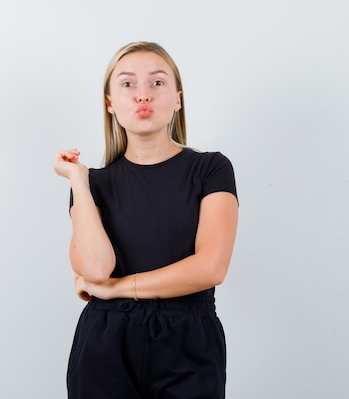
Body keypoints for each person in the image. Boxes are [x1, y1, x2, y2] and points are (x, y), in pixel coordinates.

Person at [53, 41, 238, 399]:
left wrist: (118, 289)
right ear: (110, 104)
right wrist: (78, 177)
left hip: (189, 341)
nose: (143, 95)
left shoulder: (211, 169)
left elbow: (211, 267)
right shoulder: (92, 183)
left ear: (178, 99)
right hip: (105, 344)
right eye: (127, 84)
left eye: (157, 83)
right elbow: (95, 269)